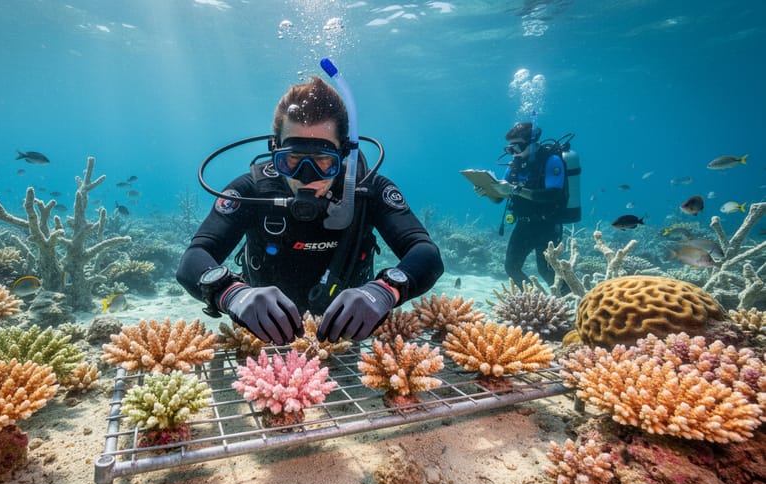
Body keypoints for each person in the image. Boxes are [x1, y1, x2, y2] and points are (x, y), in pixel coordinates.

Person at [176, 76, 443, 346]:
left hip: (349, 333)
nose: (306, 176)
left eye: (324, 161)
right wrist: (232, 293)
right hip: (264, 333)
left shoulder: (366, 190)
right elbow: (195, 257)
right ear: (275, 150)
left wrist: (386, 290)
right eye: (291, 160)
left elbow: (425, 253)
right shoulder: (252, 190)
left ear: (344, 155)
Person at [474, 122, 568, 287]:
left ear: (533, 143)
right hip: (524, 224)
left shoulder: (551, 160)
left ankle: (573, 303)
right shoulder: (513, 168)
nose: (513, 153)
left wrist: (515, 189)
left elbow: (552, 195)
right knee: (511, 267)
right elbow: (499, 199)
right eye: (510, 149)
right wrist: (488, 193)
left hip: (549, 225)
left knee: (547, 271)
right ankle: (536, 303)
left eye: (517, 147)